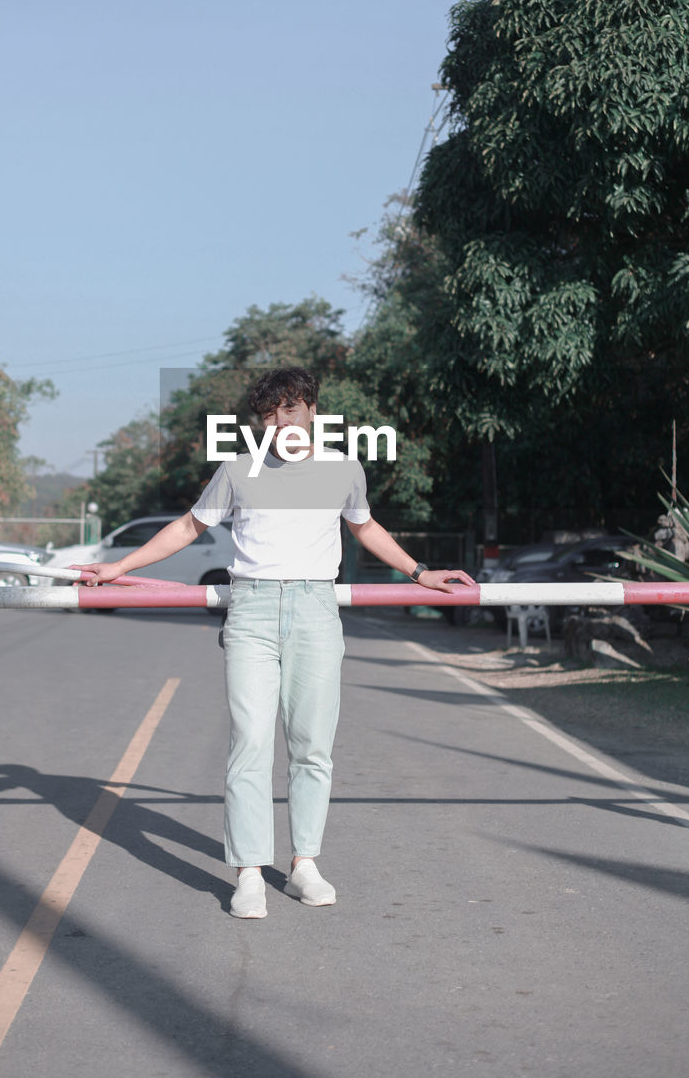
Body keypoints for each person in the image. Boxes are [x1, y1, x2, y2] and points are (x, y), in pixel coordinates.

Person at [79, 367, 476, 919]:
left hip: (317, 608)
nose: (280, 422)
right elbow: (189, 527)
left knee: (312, 745)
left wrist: (420, 573)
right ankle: (247, 873)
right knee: (250, 742)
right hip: (253, 609)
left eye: (290, 409)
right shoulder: (239, 468)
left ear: (312, 409)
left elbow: (365, 528)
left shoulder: (343, 467)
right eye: (269, 414)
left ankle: (303, 865)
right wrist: (117, 566)